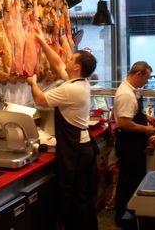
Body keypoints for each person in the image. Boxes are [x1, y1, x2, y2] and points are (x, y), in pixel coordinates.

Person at [27, 32, 99, 230]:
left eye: (71, 58)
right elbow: (58, 64)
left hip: (75, 150)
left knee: (75, 197)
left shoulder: (70, 90)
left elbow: (40, 101)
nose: (67, 59)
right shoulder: (80, 82)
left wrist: (33, 84)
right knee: (82, 195)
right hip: (83, 147)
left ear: (77, 67)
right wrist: (41, 41)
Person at [114, 61, 155, 227]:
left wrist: (148, 118)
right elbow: (125, 123)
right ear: (139, 74)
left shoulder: (132, 91)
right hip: (129, 144)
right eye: (146, 78)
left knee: (132, 180)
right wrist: (147, 129)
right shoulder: (126, 94)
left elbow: (133, 113)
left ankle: (130, 215)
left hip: (133, 142)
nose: (146, 82)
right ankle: (124, 218)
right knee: (128, 182)